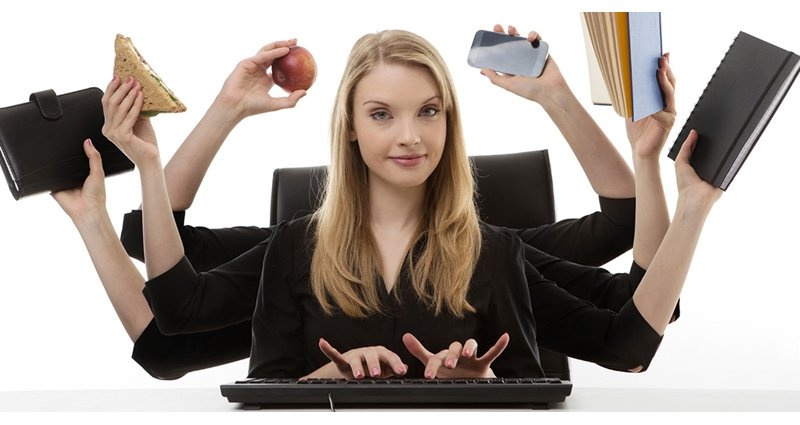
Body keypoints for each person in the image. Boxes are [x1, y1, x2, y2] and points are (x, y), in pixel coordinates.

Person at [54, 26, 689, 379]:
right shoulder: (295, 250)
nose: (410, 136)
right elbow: (161, 275)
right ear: (351, 126)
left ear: (449, 121)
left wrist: (566, 104)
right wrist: (220, 113)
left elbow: (635, 301)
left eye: (428, 112)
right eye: (382, 114)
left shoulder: (497, 254)